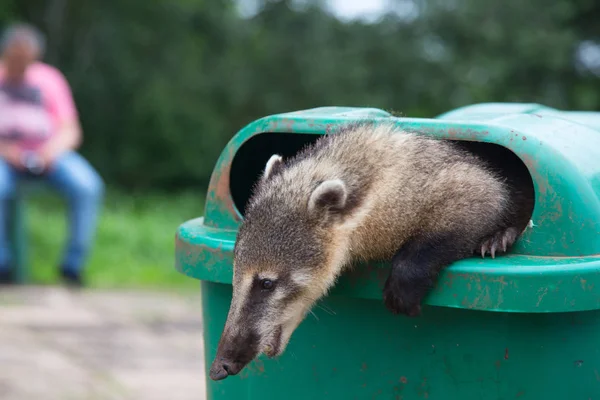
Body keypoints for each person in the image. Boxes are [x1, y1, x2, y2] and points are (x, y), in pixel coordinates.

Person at [0, 23, 104, 286]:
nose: (21, 65)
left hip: (50, 154)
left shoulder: (50, 79)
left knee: (87, 185)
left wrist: (49, 152)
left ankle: (72, 267)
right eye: (16, 58)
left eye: (27, 59)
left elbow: (71, 130)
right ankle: (3, 265)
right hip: (4, 157)